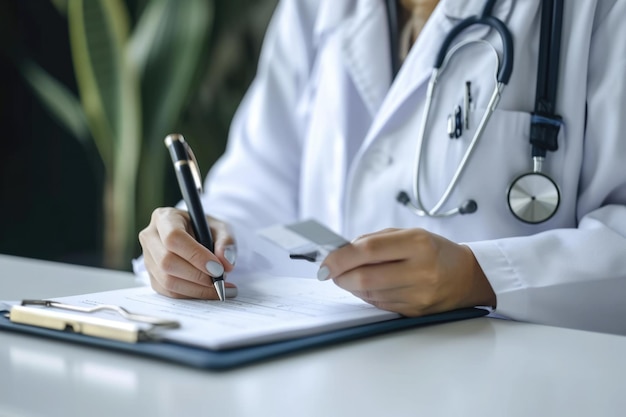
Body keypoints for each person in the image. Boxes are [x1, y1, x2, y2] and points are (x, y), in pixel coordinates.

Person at [138, 0, 626, 335]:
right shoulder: (316, 8)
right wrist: (197, 239)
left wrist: (482, 276)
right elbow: (260, 179)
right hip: (316, 373)